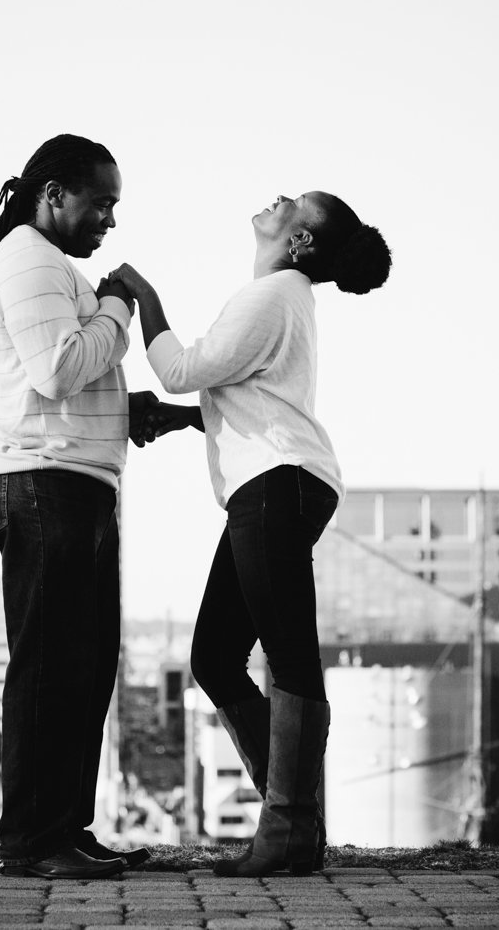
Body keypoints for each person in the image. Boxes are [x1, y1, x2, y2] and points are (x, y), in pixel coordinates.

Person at [108, 190, 391, 877]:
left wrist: (142, 292)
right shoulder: (285, 300)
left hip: (276, 486)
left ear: (298, 241)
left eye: (293, 201)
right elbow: (242, 400)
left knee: (289, 657)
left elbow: (181, 366)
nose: (277, 199)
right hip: (274, 484)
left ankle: (290, 831)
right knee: (213, 655)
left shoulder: (271, 297)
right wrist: (178, 419)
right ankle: (293, 817)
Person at [0, 133, 194, 880]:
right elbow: (60, 369)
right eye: (101, 203)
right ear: (53, 194)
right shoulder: (29, 255)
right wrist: (122, 304)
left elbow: (52, 382)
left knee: (86, 667)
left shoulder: (50, 263)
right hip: (38, 482)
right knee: (49, 665)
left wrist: (129, 408)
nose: (110, 221)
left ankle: (65, 826)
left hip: (70, 480)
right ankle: (31, 842)